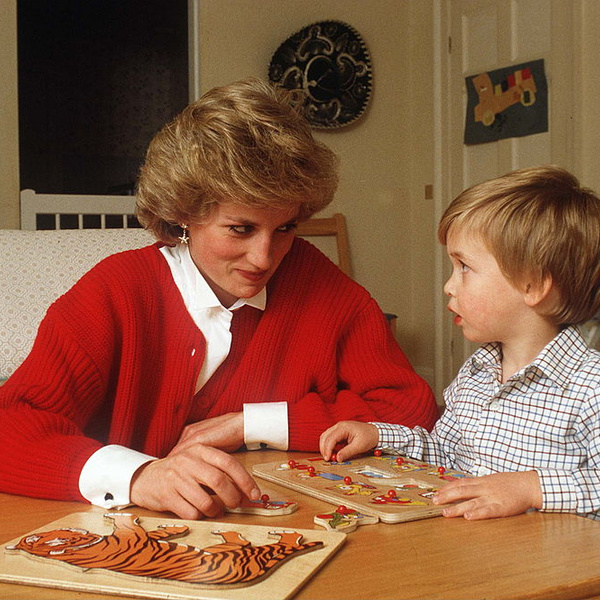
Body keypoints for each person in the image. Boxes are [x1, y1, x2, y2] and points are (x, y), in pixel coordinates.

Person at [0, 78, 438, 520]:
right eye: (240, 229)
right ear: (183, 215)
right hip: (113, 532)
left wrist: (252, 423)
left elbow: (410, 410)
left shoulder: (318, 283)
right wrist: (139, 476)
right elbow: (10, 425)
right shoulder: (115, 291)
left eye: (285, 228)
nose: (264, 257)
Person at [320, 165, 600, 521]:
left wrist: (531, 488)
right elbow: (446, 455)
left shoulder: (590, 387)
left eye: (464, 267)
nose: (449, 286)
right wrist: (379, 435)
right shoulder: (476, 374)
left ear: (532, 285)